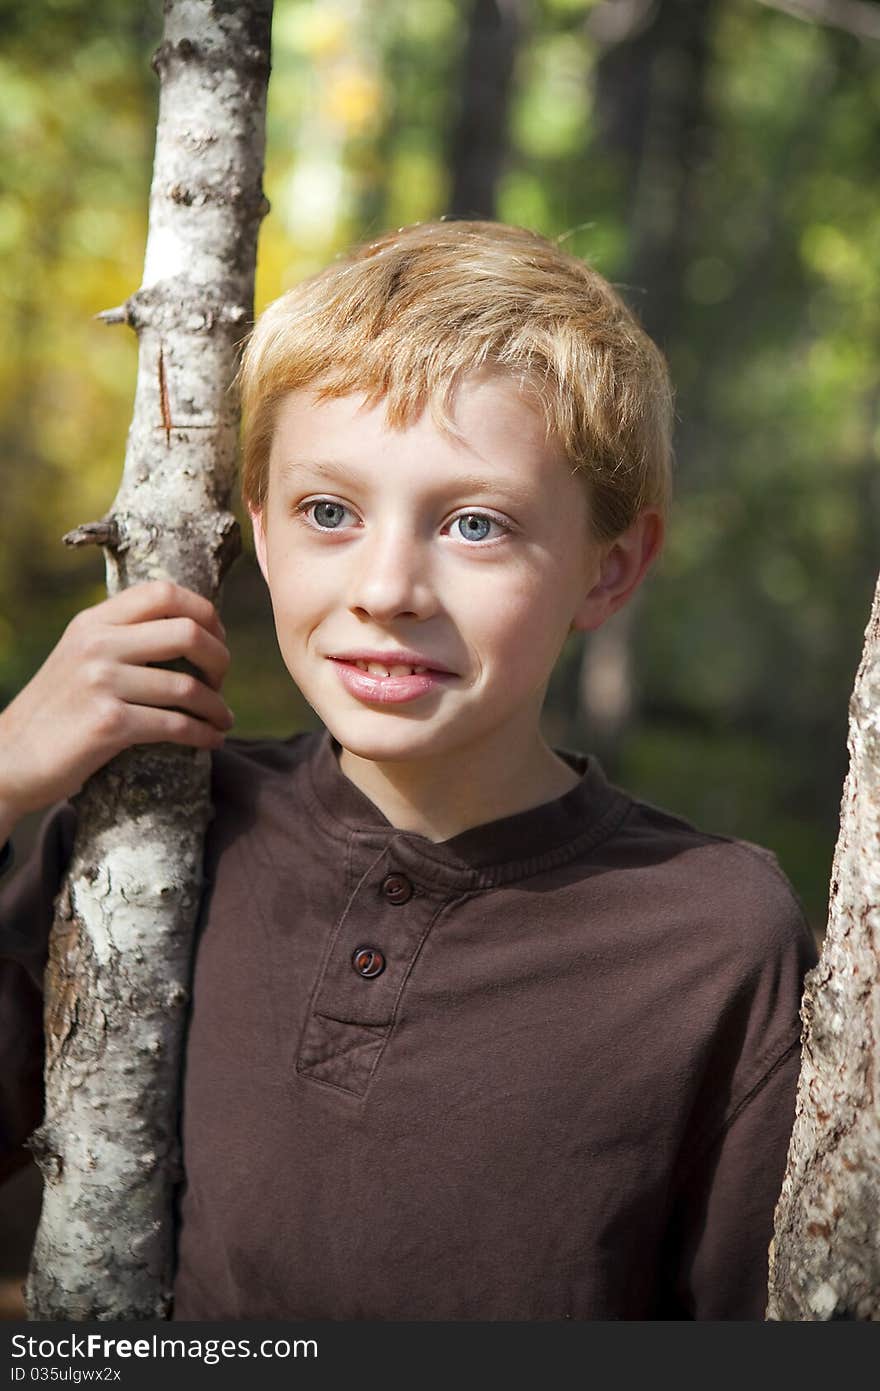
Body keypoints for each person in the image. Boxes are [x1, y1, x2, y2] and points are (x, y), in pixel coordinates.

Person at [0, 220, 816, 1320]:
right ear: (261, 528)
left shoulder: (715, 936)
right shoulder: (150, 830)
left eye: (475, 524)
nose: (387, 586)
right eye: (328, 511)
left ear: (607, 569)